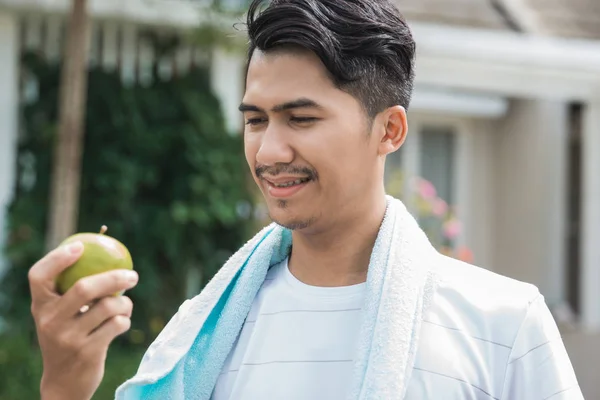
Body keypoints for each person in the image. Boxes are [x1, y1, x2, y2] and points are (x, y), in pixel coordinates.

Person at [29, 0, 583, 399]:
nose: (269, 151)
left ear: (389, 131)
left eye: (301, 118)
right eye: (254, 119)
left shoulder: (504, 326)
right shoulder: (196, 339)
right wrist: (65, 386)